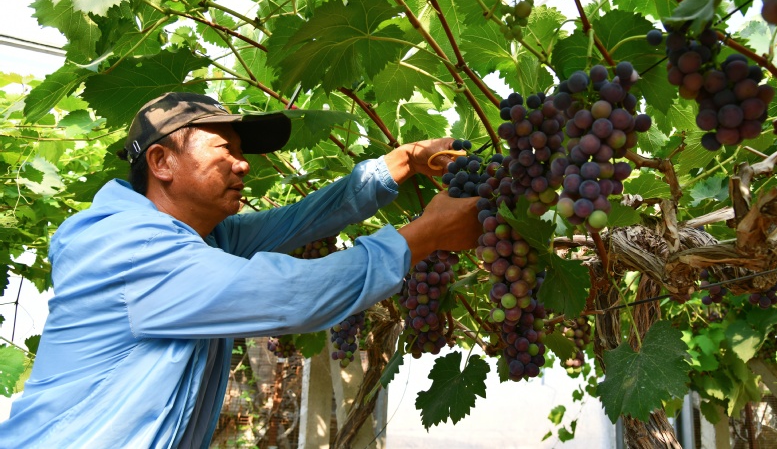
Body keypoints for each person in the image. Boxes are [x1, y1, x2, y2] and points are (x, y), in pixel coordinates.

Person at [0, 92, 482, 448]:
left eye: (241, 152)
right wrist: (428, 233)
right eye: (224, 150)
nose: (243, 165)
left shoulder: (203, 238)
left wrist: (403, 161)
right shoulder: (132, 250)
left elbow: (303, 219)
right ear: (161, 162)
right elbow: (295, 295)